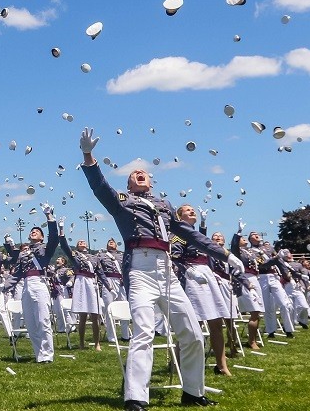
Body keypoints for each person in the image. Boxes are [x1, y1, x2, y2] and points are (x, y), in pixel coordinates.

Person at [80, 127, 225, 410]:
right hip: (140, 268)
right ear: (129, 185)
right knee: (144, 332)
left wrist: (223, 254)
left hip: (167, 271)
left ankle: (193, 392)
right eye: (133, 174)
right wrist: (88, 156)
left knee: (193, 333)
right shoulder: (123, 202)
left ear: (151, 181)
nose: (139, 173)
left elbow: (188, 233)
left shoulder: (165, 204)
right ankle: (136, 398)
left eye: (143, 172)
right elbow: (100, 187)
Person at [172, 206, 238, 377]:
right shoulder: (178, 235)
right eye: (187, 210)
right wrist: (189, 271)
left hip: (207, 275)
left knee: (216, 322)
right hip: (192, 277)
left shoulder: (198, 235)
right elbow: (175, 257)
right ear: (179, 216)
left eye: (192, 209)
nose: (191, 211)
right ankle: (178, 363)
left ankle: (221, 365)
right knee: (193, 324)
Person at [0, 207, 61, 363]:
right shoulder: (23, 253)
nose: (33, 232)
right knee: (31, 322)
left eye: (37, 231)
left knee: (43, 320)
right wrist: (5, 286)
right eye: (32, 231)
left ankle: (47, 354)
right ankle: (39, 353)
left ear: (41, 237)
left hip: (39, 283)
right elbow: (18, 273)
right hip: (26, 285)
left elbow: (54, 238)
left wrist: (49, 217)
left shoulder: (45, 248)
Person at [229, 225, 265, 350]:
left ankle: (252, 338)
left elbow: (262, 263)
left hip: (255, 279)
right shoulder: (237, 252)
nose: (243, 238)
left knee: (257, 312)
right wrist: (238, 232)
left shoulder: (250, 251)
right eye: (241, 238)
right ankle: (251, 341)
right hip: (245, 279)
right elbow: (234, 245)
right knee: (254, 310)